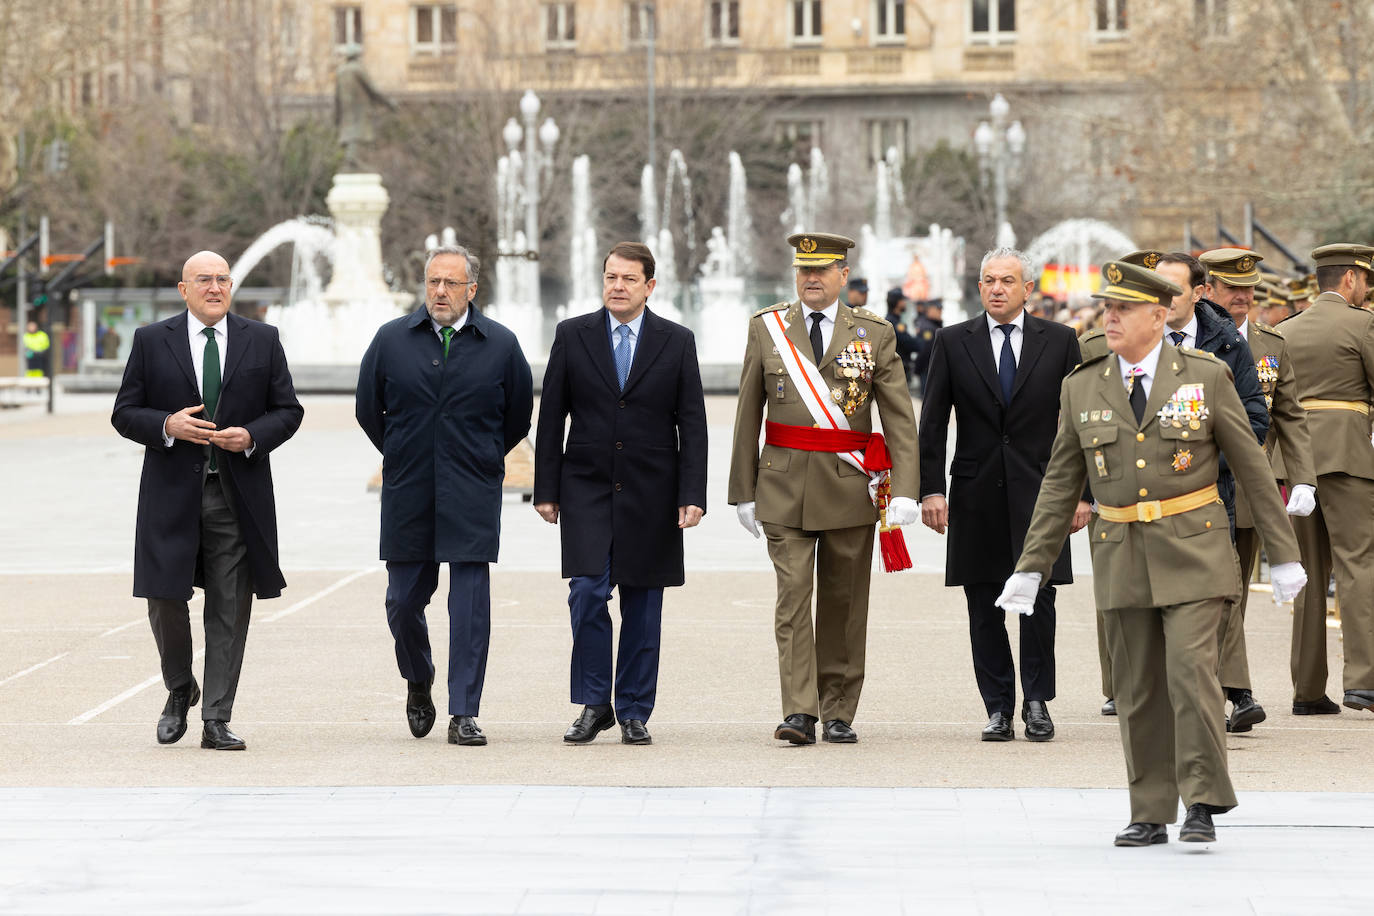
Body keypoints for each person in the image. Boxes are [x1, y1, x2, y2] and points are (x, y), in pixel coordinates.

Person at [997, 260, 1306, 846]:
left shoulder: (1207, 376)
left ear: (1159, 315)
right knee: (1137, 689)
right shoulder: (1081, 385)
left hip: (1195, 550)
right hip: (1121, 553)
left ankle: (1202, 802)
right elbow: (1061, 483)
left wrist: (1284, 554)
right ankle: (1149, 809)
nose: (1108, 317)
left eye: (1123, 309)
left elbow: (1252, 468)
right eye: (1106, 307)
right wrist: (1031, 567)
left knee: (1191, 675)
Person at [728, 232, 920, 745]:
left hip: (849, 486)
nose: (811, 278)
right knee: (792, 601)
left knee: (844, 601)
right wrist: (742, 491)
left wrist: (905, 488)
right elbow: (748, 413)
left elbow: (899, 417)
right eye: (803, 270)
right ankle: (798, 711)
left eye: (823, 270)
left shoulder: (875, 333)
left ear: (843, 276)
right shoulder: (767, 328)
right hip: (783, 485)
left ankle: (838, 709)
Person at [111, 251, 303, 750]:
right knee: (164, 598)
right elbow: (124, 412)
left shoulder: (263, 339)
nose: (214, 287)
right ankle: (180, 688)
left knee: (229, 607)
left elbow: (288, 409)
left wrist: (254, 435)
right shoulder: (152, 341)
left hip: (237, 496)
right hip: (171, 494)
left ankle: (216, 717)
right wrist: (166, 425)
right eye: (204, 280)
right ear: (184, 289)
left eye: (222, 279)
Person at [356, 244, 533, 746]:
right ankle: (418, 677)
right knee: (402, 600)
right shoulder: (391, 340)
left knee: (470, 606)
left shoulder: (501, 344)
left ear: (471, 290)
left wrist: (480, 458)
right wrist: (404, 452)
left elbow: (517, 415)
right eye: (433, 281)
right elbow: (369, 409)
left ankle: (464, 711)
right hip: (408, 489)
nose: (440, 291)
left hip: (472, 489)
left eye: (451, 283)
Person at [533, 241, 707, 746]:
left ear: (650, 286)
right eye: (610, 277)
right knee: (586, 594)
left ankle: (633, 708)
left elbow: (692, 423)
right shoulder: (573, 335)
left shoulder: (676, 341)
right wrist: (546, 488)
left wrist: (691, 492)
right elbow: (551, 418)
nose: (617, 286)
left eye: (628, 279)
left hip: (653, 493)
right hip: (585, 487)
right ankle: (594, 703)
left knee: (643, 603)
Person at [919, 247, 1088, 742]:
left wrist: (1082, 493)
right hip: (974, 491)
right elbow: (931, 422)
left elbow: (1078, 423)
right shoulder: (953, 341)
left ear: (1027, 289)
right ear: (979, 288)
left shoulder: (1060, 341)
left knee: (1040, 597)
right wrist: (931, 489)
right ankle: (998, 706)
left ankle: (1037, 702)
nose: (997, 289)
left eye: (1007, 281)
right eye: (989, 281)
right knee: (982, 601)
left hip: (1043, 490)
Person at [1200, 248, 1318, 733]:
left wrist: (1305, 476)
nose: (1242, 297)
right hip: (1197, 483)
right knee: (1217, 594)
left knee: (1236, 594)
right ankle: (1231, 692)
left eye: (1249, 288)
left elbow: (1289, 413)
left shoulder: (1272, 343)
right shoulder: (1194, 340)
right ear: (1207, 290)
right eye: (1232, 288)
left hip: (1252, 487)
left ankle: (1230, 689)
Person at [1279, 244, 1374, 717]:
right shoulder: (1363, 324)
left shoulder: (1282, 330)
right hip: (1348, 455)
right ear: (1352, 279)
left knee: (1308, 574)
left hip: (1295, 464)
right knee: (1358, 564)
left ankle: (1308, 688)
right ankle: (1364, 681)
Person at [334, 43, 397, 171]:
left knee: (353, 134)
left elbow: (337, 96)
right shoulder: (358, 69)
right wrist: (389, 103)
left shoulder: (340, 72)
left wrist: (336, 114)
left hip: (347, 108)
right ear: (357, 56)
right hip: (360, 108)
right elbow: (372, 90)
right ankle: (352, 161)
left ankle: (352, 162)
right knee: (358, 134)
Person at [884, 288, 920, 381]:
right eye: (903, 300)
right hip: (898, 371)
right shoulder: (893, 323)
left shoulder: (895, 321)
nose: (905, 303)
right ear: (898, 303)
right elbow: (912, 344)